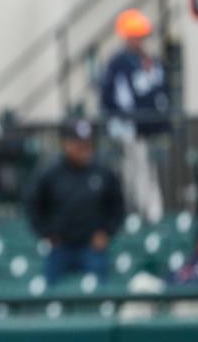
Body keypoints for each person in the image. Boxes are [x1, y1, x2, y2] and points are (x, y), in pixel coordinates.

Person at [25, 119, 125, 285]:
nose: (83, 149)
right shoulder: (50, 173)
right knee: (51, 294)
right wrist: (46, 233)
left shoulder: (103, 172)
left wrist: (107, 232)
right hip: (61, 247)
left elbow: (117, 207)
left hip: (93, 247)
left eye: (87, 144)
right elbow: (34, 206)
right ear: (66, 144)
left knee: (102, 294)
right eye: (78, 144)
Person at [100, 8, 169, 222]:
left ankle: (151, 213)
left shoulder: (150, 61)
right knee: (132, 170)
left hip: (149, 127)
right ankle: (137, 213)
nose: (138, 41)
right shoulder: (118, 62)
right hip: (127, 128)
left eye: (141, 37)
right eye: (134, 37)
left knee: (149, 169)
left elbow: (160, 92)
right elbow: (110, 98)